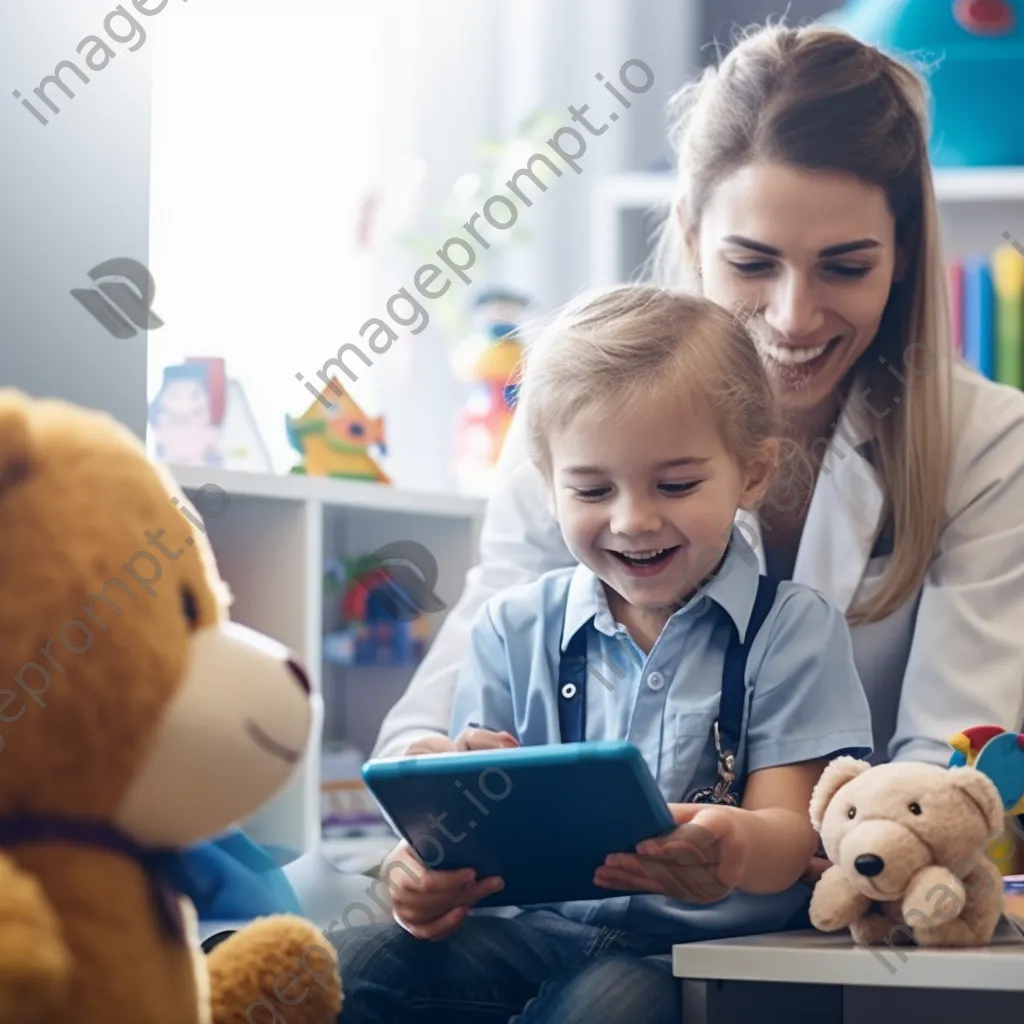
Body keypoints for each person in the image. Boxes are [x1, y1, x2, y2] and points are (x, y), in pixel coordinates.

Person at [374, 22, 1024, 777]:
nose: (793, 316)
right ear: (688, 234)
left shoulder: (987, 442)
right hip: (616, 888)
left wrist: (785, 855)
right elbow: (435, 719)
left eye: (844, 267)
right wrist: (438, 788)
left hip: (865, 880)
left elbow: (950, 764)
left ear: (904, 254)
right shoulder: (580, 425)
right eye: (752, 262)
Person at [332, 285, 874, 1023]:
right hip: (526, 936)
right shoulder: (510, 630)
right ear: (547, 483)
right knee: (346, 969)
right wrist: (421, 878)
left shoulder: (793, 632)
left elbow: (794, 831)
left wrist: (733, 848)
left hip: (684, 961)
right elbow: (460, 833)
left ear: (752, 473)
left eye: (676, 484)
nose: (632, 519)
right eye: (591, 488)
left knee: (604, 1008)